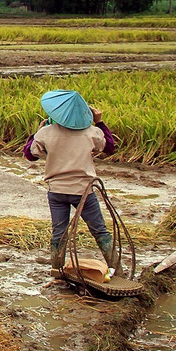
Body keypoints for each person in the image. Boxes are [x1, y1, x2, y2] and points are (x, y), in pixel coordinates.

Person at [22, 88, 118, 270]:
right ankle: (116, 269)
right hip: (83, 192)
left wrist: (38, 132)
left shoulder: (46, 133)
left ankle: (57, 269)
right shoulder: (92, 132)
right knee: (100, 231)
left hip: (57, 191)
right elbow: (110, 147)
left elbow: (30, 154)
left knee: (59, 233)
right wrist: (101, 123)